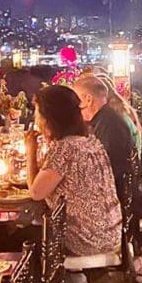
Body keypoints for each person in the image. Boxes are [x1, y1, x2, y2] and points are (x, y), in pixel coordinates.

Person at [25, 85, 122, 256]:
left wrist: (30, 150)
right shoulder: (89, 141)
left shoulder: (65, 148)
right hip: (111, 234)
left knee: (20, 236)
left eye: (38, 113)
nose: (37, 119)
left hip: (88, 241)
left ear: (50, 118)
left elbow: (35, 192)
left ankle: (48, 281)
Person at [72, 74, 135, 196]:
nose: (74, 107)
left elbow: (107, 169)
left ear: (88, 99)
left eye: (75, 101)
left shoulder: (110, 125)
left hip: (110, 197)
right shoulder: (103, 119)